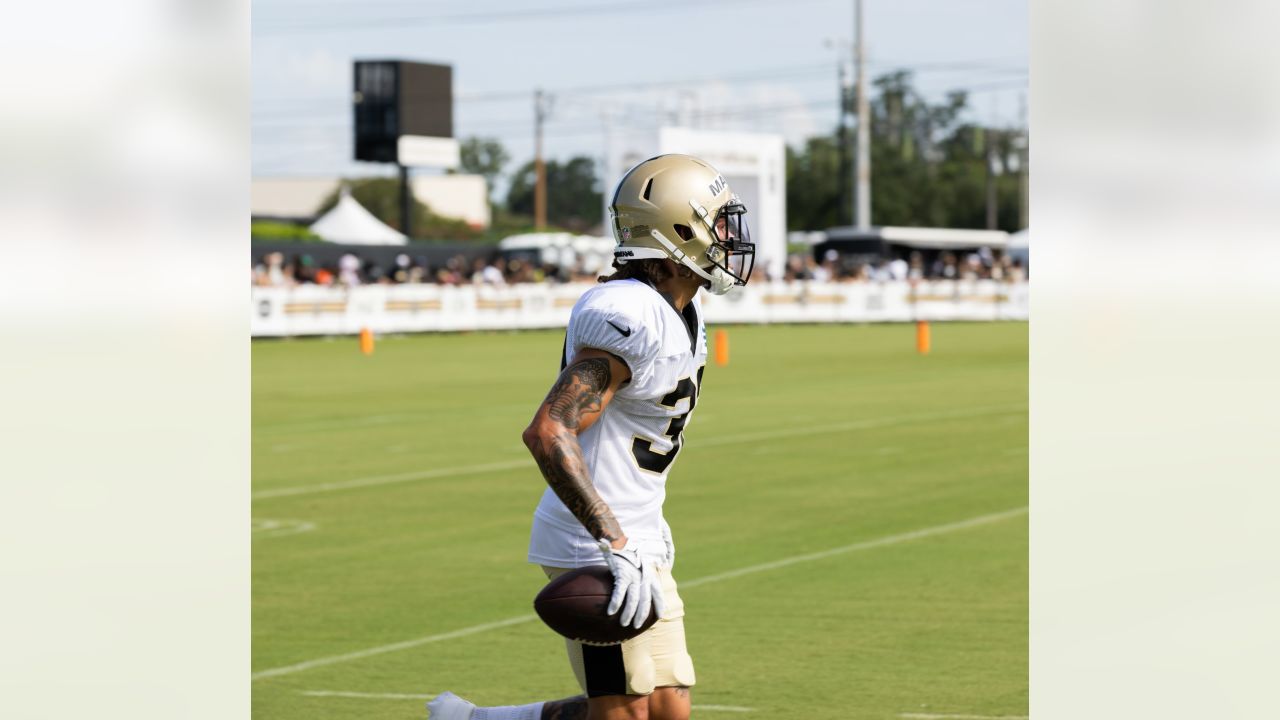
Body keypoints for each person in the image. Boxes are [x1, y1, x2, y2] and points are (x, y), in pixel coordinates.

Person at [427, 154, 756, 720]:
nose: (730, 237)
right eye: (718, 223)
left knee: (669, 709)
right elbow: (549, 430)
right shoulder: (630, 311)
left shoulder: (681, 311)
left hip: (641, 533)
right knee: (624, 712)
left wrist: (639, 538)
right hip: (596, 542)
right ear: (679, 232)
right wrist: (614, 542)